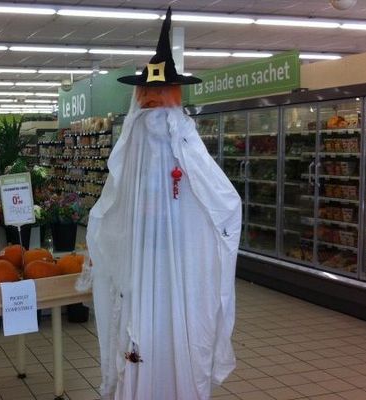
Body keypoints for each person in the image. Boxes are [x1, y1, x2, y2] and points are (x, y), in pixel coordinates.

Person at [86, 8, 242, 400]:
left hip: (165, 267)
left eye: (161, 91)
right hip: (156, 263)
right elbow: (112, 204)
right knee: (155, 331)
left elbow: (223, 202)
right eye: (149, 93)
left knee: (163, 331)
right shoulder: (150, 139)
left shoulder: (166, 141)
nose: (154, 99)